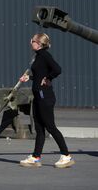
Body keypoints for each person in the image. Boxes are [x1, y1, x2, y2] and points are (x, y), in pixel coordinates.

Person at [19, 33, 75, 168]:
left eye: (32, 40)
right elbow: (39, 75)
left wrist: (48, 78)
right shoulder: (38, 56)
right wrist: (30, 78)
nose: (30, 42)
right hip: (38, 96)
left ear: (38, 43)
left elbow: (57, 69)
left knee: (50, 126)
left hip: (45, 97)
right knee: (39, 128)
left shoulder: (44, 55)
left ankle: (66, 156)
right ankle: (35, 157)